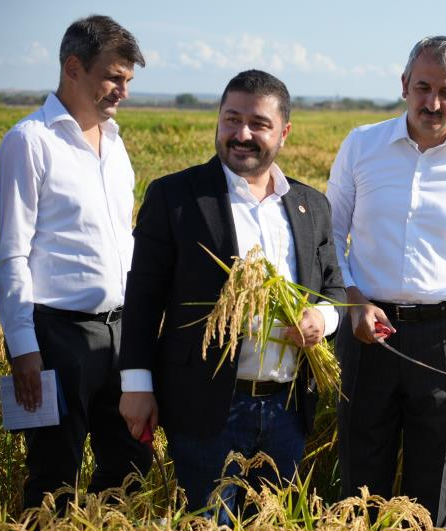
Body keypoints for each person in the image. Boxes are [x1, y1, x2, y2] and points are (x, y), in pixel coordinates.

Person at [117, 70, 345, 520]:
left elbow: (334, 284)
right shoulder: (176, 197)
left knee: (273, 521)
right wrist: (136, 385)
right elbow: (143, 297)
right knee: (206, 521)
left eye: (258, 124)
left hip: (287, 409)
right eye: (231, 119)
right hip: (207, 408)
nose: (242, 134)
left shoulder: (309, 204)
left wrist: (324, 320)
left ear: (284, 131)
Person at [326, 36, 446, 528]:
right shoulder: (361, 145)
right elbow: (327, 236)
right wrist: (351, 300)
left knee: (435, 478)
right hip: (366, 329)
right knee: (360, 473)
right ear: (404, 86)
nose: (433, 103)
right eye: (423, 87)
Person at [0, 15, 149, 509]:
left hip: (122, 333)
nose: (122, 91)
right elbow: (10, 254)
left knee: (129, 471)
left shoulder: (116, 144)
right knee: (54, 477)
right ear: (73, 67)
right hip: (57, 336)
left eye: (128, 80)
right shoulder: (29, 141)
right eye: (114, 77)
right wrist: (23, 349)